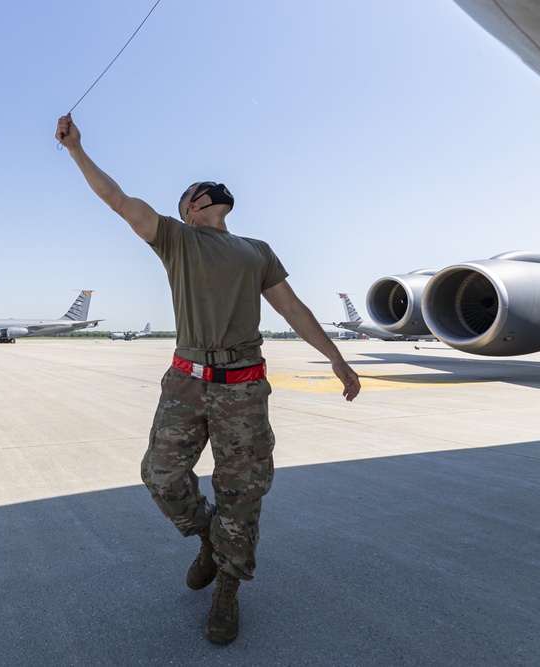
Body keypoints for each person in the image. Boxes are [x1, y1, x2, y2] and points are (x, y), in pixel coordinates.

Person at [56, 114, 361, 645]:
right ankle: (210, 538)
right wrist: (77, 151)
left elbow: (293, 308)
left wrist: (335, 356)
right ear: (191, 210)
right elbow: (118, 199)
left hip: (243, 383)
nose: (209, 190)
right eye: (197, 192)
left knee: (241, 492)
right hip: (186, 379)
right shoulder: (176, 239)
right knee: (162, 477)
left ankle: (226, 587)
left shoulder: (258, 250)